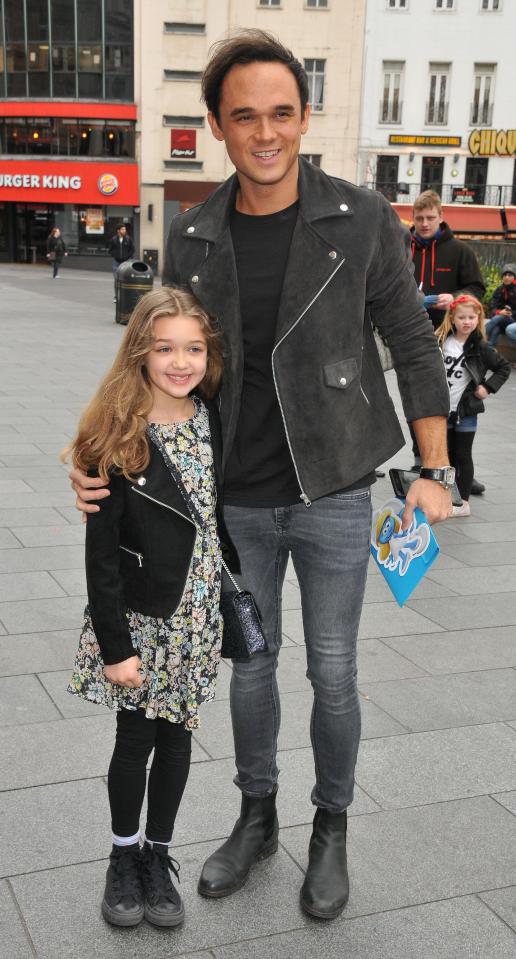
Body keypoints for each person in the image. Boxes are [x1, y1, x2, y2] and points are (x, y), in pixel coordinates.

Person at [70, 30, 452, 922]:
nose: (266, 131)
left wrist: (432, 465)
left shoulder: (360, 219)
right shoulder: (196, 232)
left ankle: (331, 828)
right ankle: (256, 815)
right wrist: (101, 464)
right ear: (218, 125)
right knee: (250, 670)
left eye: (282, 112)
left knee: (333, 671)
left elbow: (412, 344)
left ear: (304, 117)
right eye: (245, 115)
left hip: (335, 490)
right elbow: (152, 363)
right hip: (230, 502)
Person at [65, 286, 239, 928]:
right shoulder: (114, 432)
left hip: (196, 619)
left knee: (177, 742)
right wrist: (115, 648)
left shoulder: (215, 417)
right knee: (134, 737)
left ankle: (158, 855)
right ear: (139, 350)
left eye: (193, 348)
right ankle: (122, 857)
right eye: (164, 347)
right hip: (141, 621)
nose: (180, 360)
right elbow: (101, 556)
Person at [409, 190, 486, 493]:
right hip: (413, 336)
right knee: (417, 398)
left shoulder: (459, 251)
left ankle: (459, 467)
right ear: (413, 219)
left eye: (430, 218)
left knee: (457, 402)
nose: (425, 223)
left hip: (455, 340)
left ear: (441, 218)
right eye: (419, 218)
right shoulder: (404, 249)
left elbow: (477, 288)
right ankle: (421, 460)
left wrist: (454, 300)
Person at [436, 294, 510, 517]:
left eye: (471, 317)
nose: (466, 322)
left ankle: (463, 502)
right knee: (445, 455)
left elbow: (503, 367)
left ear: (478, 319)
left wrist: (487, 387)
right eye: (461, 317)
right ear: (452, 318)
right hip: (442, 410)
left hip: (466, 410)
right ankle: (445, 496)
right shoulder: (441, 341)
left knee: (463, 455)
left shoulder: (481, 347)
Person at [485, 264, 516, 347]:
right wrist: (499, 311)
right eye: (505, 275)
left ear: (514, 277)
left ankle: (478, 335)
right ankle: (490, 349)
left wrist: (511, 313)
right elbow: (491, 306)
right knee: (496, 329)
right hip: (501, 321)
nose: (506, 277)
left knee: (500, 317)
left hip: (513, 321)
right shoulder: (499, 290)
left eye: (510, 275)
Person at [108, 223, 135, 301]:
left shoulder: (128, 239)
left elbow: (132, 250)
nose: (124, 231)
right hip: (116, 262)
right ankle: (116, 297)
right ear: (118, 231)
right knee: (116, 280)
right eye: (123, 229)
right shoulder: (113, 239)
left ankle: (125, 296)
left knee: (126, 279)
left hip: (126, 262)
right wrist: (115, 255)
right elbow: (110, 250)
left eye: (125, 229)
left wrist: (127, 257)